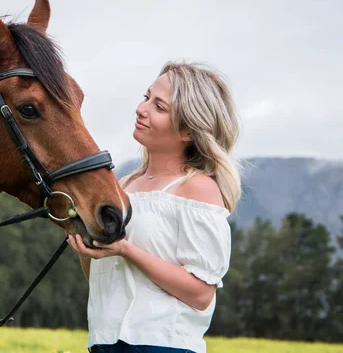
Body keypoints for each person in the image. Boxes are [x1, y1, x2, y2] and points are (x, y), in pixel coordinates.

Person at [67, 62, 242, 353]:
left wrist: (127, 249)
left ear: (188, 130)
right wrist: (88, 246)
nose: (142, 109)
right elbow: (113, 276)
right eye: (146, 96)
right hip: (104, 343)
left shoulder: (197, 188)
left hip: (162, 347)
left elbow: (200, 293)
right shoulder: (121, 185)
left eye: (159, 107)